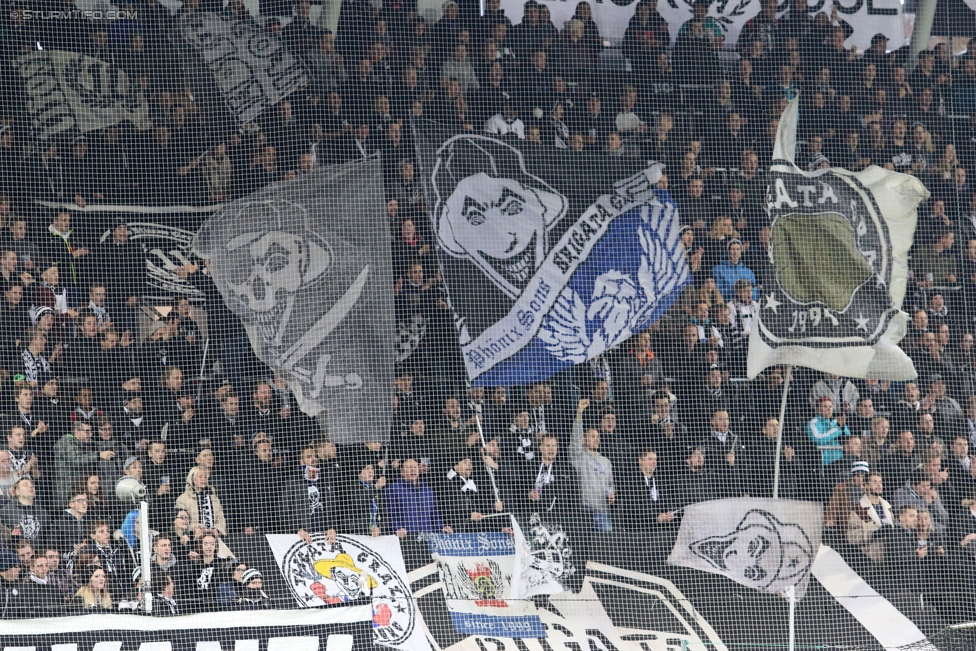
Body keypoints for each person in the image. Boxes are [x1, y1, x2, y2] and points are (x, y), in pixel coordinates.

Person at [569, 399, 616, 532]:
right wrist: (579, 413)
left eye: (597, 437)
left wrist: (612, 494)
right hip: (585, 512)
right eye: (592, 436)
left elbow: (610, 484)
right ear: (584, 440)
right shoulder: (579, 457)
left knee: (607, 547)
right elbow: (575, 440)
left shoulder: (606, 462)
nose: (596, 439)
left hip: (604, 512)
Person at [386, 459, 452, 537]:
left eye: (415, 467)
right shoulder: (393, 489)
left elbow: (435, 514)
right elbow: (390, 514)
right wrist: (397, 528)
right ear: (402, 472)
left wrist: (442, 527)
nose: (413, 469)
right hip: (406, 536)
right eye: (409, 467)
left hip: (427, 536)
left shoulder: (427, 490)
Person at [846, 471, 895, 563]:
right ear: (867, 486)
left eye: (880, 482)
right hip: (869, 559)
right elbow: (851, 537)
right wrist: (873, 534)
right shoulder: (859, 509)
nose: (879, 485)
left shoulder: (887, 506)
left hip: (889, 557)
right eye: (875, 482)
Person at [174, 466, 229, 540]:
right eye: (200, 477)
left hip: (214, 538)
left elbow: (221, 518)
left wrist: (217, 529)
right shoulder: (183, 499)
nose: (203, 479)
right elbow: (181, 522)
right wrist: (198, 529)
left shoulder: (214, 497)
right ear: (192, 479)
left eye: (205, 477)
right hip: (192, 538)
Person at [806, 397, 851, 466]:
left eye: (830, 406)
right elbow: (818, 439)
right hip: (824, 463)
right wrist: (838, 428)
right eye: (825, 406)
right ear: (817, 409)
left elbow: (849, 437)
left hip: (840, 461)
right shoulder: (812, 423)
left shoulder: (836, 421)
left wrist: (843, 426)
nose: (829, 409)